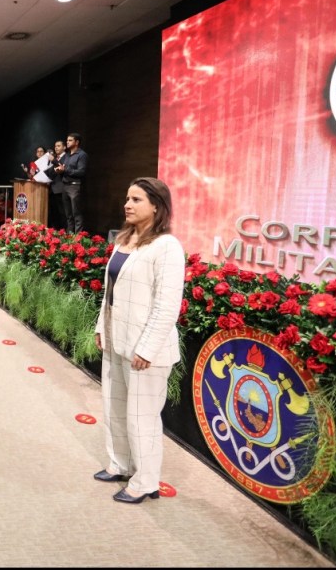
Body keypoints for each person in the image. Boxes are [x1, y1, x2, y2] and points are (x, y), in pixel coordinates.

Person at [93, 177, 184, 504]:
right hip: (117, 338)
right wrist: (100, 326)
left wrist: (147, 348)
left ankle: (145, 482)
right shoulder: (125, 238)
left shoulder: (167, 247)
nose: (127, 205)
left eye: (136, 200)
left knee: (141, 417)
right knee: (114, 407)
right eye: (127, 198)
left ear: (156, 206)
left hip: (147, 349)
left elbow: (167, 305)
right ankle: (121, 463)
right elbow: (111, 291)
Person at [54, 132, 88, 233]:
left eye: (70, 140)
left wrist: (65, 170)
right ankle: (70, 237)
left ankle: (78, 239)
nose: (67, 142)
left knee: (76, 214)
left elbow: (81, 172)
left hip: (74, 186)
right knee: (68, 215)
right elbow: (64, 169)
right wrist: (60, 170)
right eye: (67, 140)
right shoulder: (68, 155)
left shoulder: (82, 155)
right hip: (65, 186)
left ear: (76, 142)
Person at [46, 140, 66, 230]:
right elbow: (50, 173)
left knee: (63, 213)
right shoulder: (55, 158)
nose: (56, 147)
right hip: (52, 189)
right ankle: (55, 232)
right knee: (54, 213)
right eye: (55, 146)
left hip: (61, 189)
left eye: (58, 146)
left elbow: (62, 167)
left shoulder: (66, 157)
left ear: (64, 147)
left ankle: (64, 232)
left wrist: (53, 160)